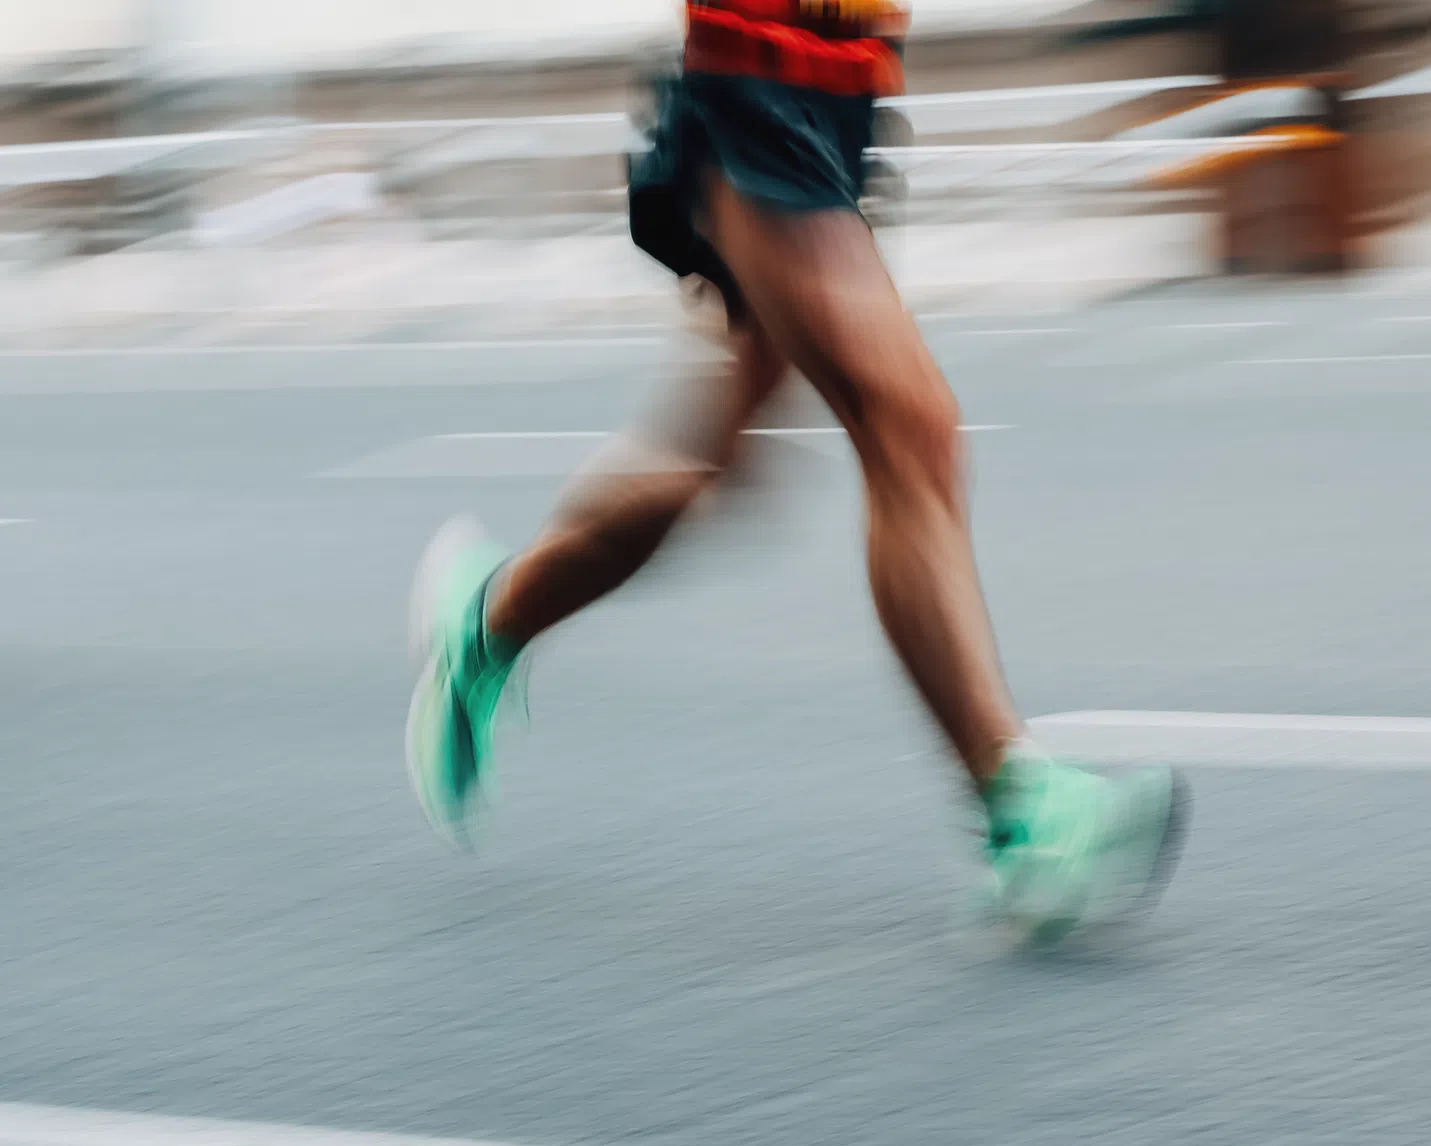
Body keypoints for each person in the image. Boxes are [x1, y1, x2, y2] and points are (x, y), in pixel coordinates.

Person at [406, 0, 1187, 943]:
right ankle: (1020, 807)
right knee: (912, 427)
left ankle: (488, 619)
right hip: (755, 78)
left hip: (838, 89)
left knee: (712, 465)